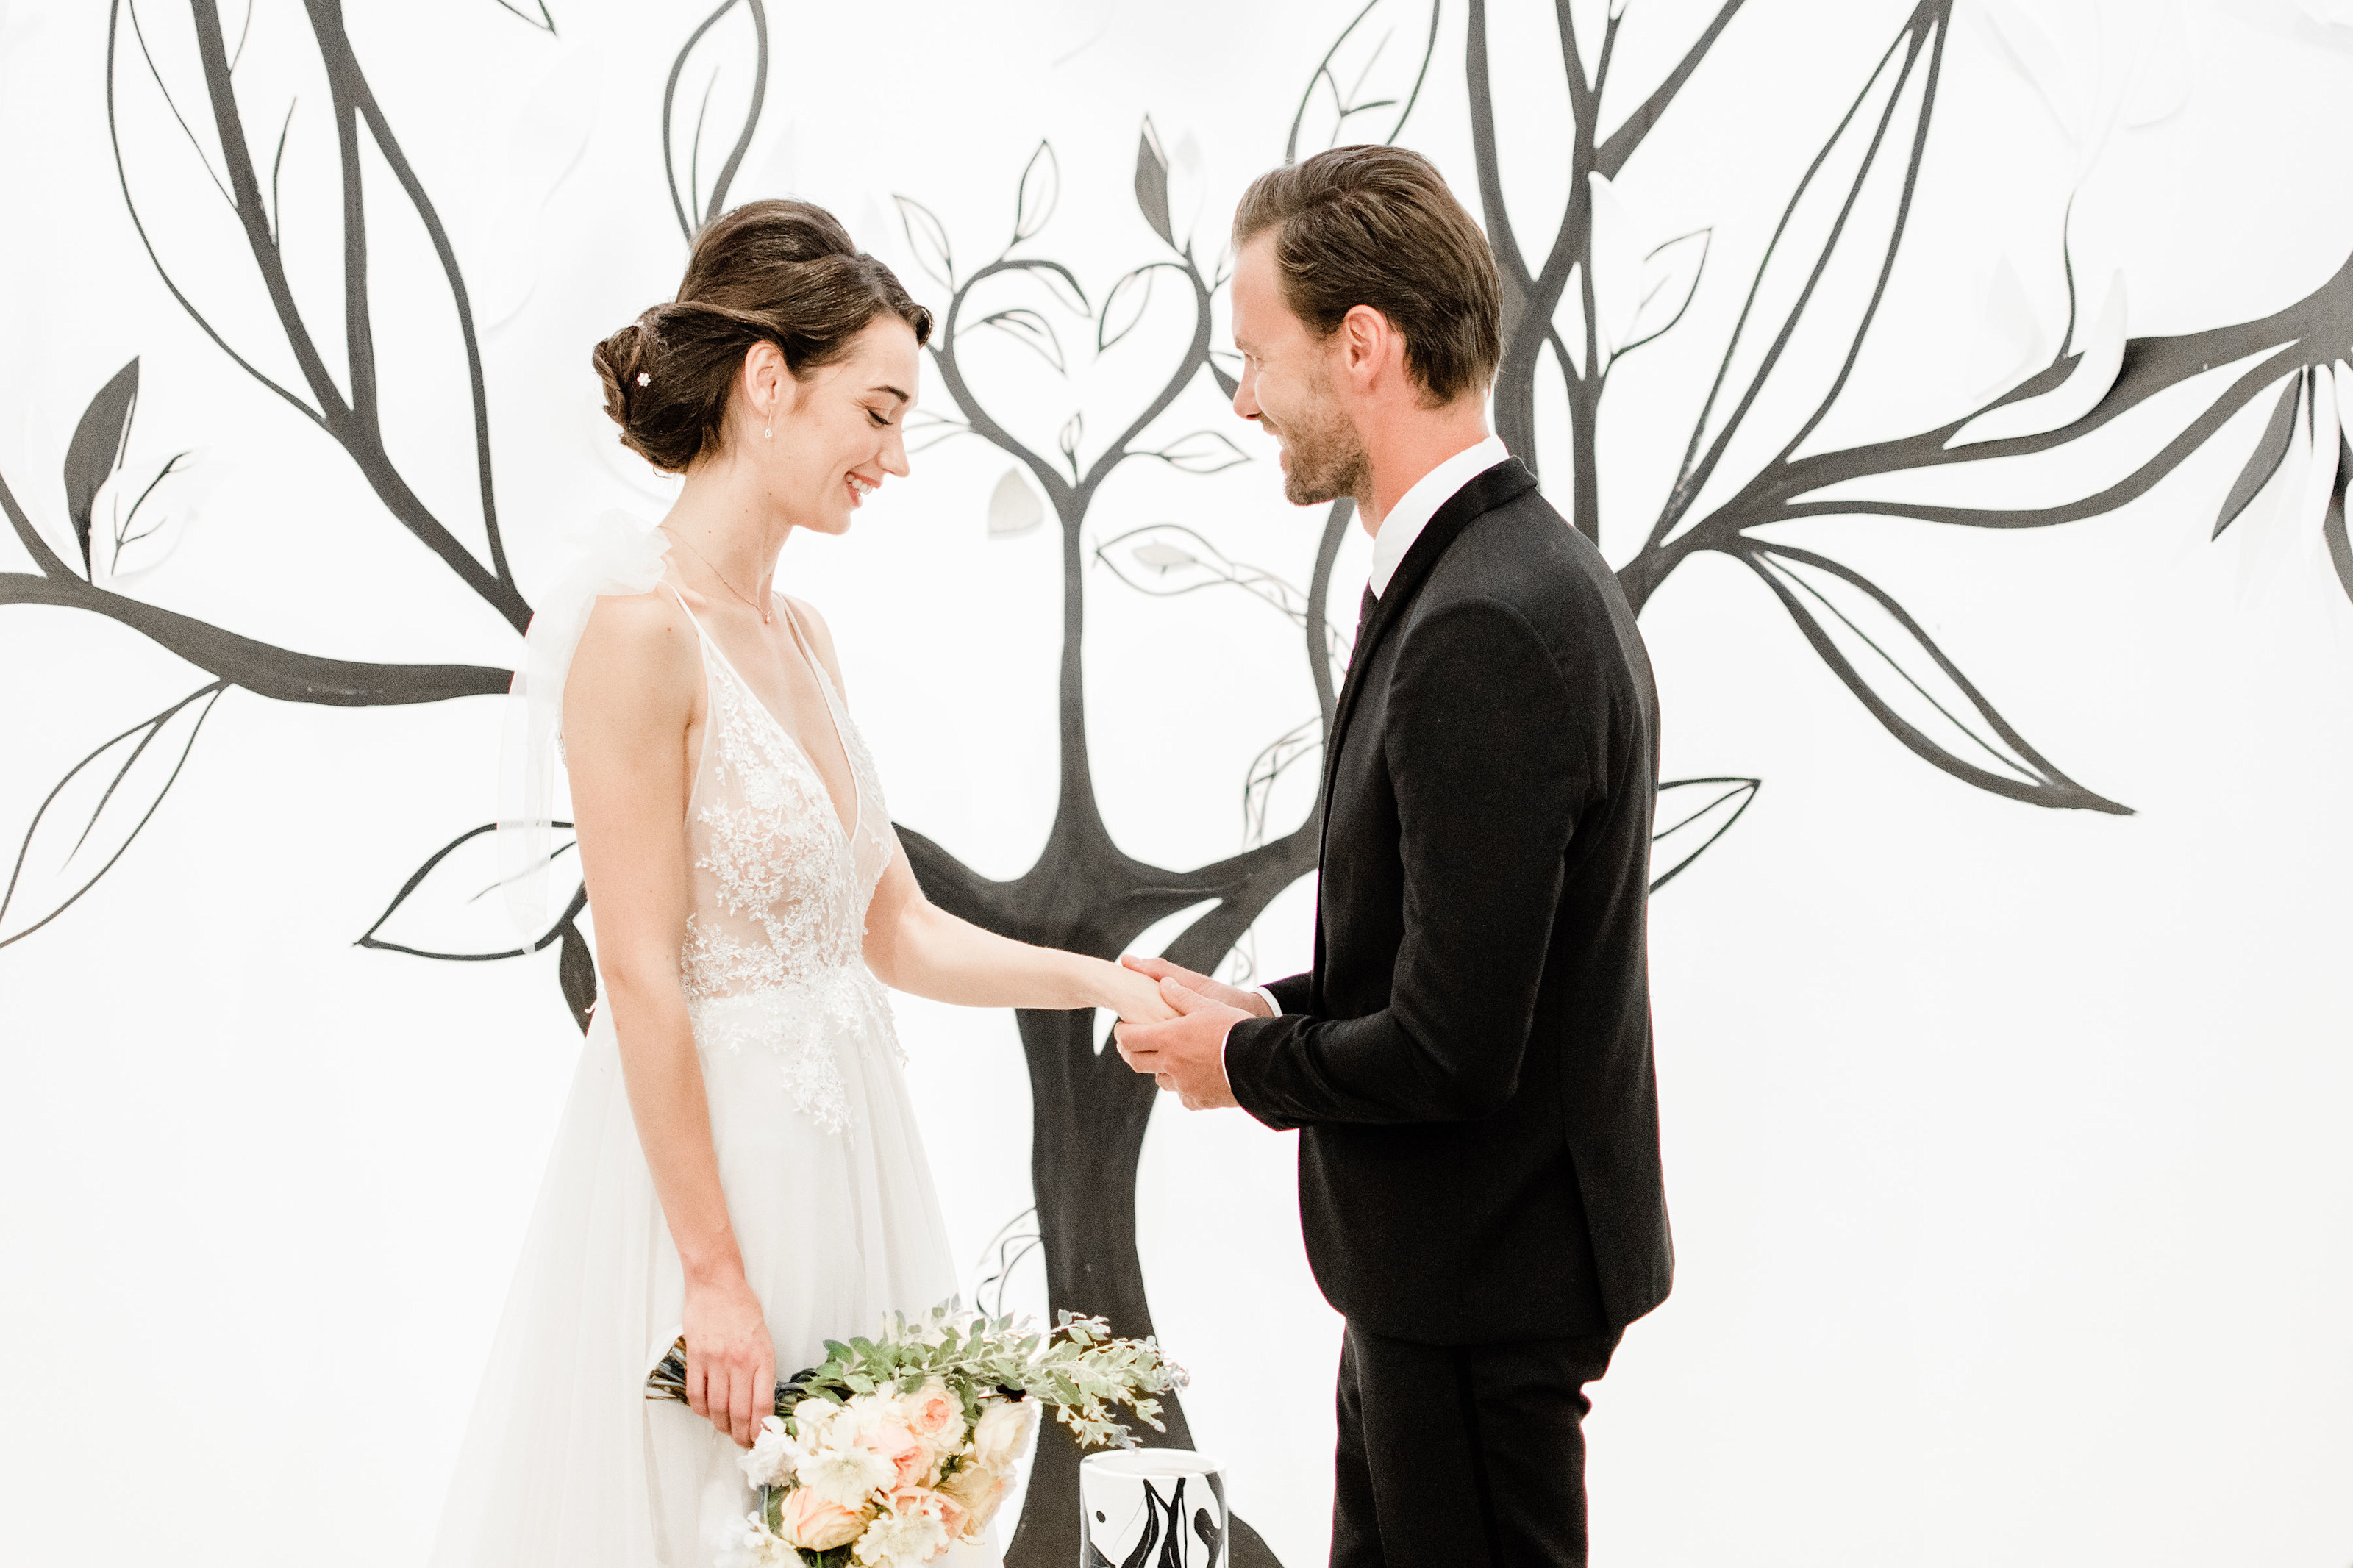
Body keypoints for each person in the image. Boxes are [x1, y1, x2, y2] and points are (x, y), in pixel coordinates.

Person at [432, 199, 1173, 1568]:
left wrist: (1098, 977)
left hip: (848, 1173)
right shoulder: (636, 635)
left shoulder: (806, 636)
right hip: (713, 1196)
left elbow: (893, 928)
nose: (895, 459)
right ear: (770, 384)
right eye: (878, 411)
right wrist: (714, 1277)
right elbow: (641, 973)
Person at [1113, 146, 1672, 1567]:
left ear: (1363, 346)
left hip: (1477, 1290)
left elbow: (1452, 1047)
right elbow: (1463, 961)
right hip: (1457, 1281)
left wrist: (1238, 1068)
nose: (1242, 397)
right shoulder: (1502, 574)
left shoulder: (1486, 619)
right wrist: (1275, 1011)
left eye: (1256, 354)